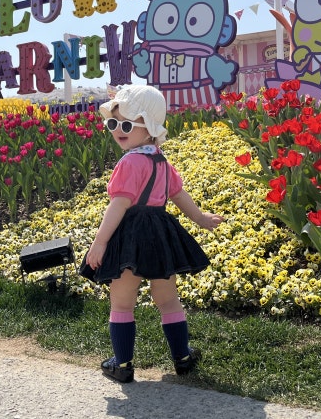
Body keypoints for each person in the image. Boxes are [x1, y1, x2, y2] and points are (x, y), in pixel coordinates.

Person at [80, 84, 224, 383]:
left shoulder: (129, 162)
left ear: (150, 129)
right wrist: (199, 218)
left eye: (127, 125)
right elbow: (178, 194)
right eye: (113, 123)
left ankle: (122, 364)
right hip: (160, 236)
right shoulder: (161, 161)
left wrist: (100, 242)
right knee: (168, 299)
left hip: (130, 239)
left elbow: (119, 206)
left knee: (122, 301)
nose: (118, 130)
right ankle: (182, 357)